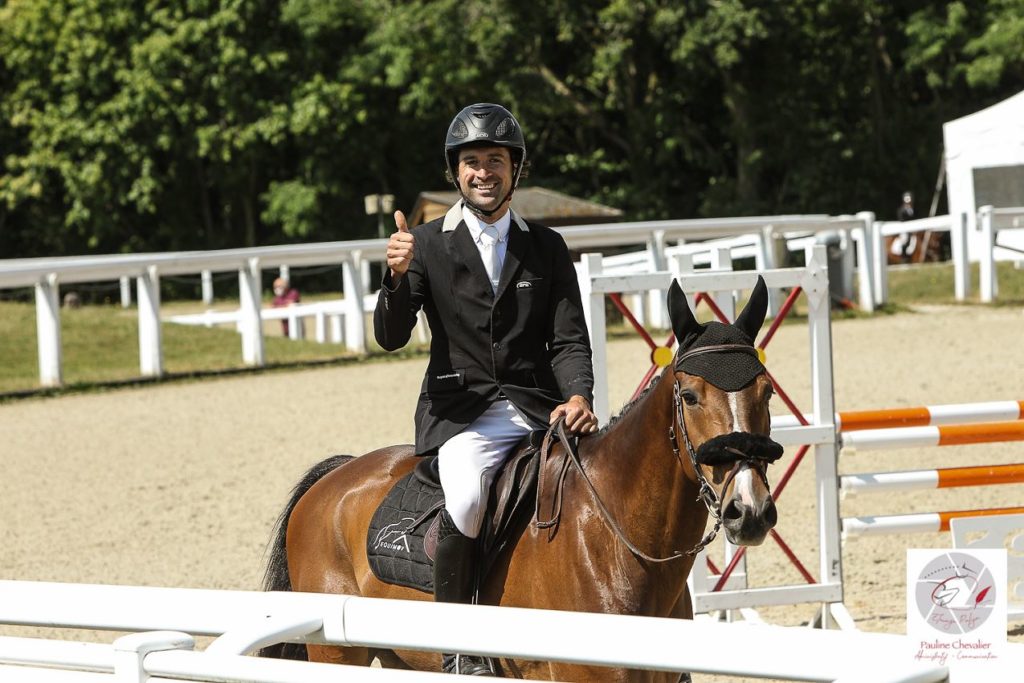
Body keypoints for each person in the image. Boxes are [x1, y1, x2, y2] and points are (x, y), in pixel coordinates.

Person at [374, 102, 598, 676]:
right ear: (456, 172)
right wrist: (395, 280)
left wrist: (578, 397)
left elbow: (569, 340)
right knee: (470, 497)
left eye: (494, 161)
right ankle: (458, 647)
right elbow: (392, 336)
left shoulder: (545, 246)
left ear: (514, 169)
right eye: (471, 162)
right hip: (463, 413)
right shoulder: (424, 244)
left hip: (540, 410)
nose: (483, 172)